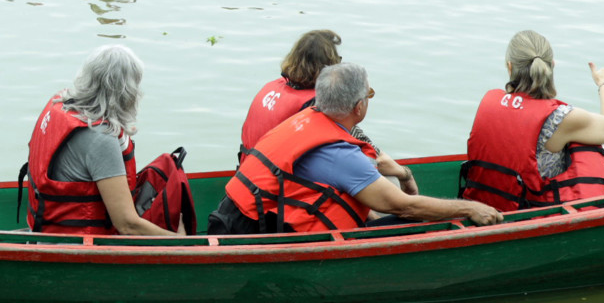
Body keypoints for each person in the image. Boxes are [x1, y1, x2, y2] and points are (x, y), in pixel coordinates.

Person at [209, 63, 503, 235]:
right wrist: (469, 207)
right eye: (369, 95)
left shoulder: (303, 121)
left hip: (232, 219)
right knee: (419, 220)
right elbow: (403, 206)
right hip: (256, 234)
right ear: (359, 106)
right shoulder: (340, 154)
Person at [24, 45, 190, 236]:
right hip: (74, 245)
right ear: (127, 93)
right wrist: (179, 241)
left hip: (41, 227)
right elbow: (127, 225)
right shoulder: (100, 138)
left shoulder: (61, 104)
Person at [460, 30, 604, 211]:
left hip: (485, 204)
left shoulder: (490, 102)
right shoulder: (560, 118)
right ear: (551, 66)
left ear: (510, 67)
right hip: (526, 211)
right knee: (587, 148)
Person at [238, 29, 415, 191]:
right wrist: (404, 173)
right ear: (329, 68)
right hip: (279, 187)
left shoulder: (271, 88)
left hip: (249, 175)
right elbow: (371, 152)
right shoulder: (316, 104)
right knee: (390, 179)